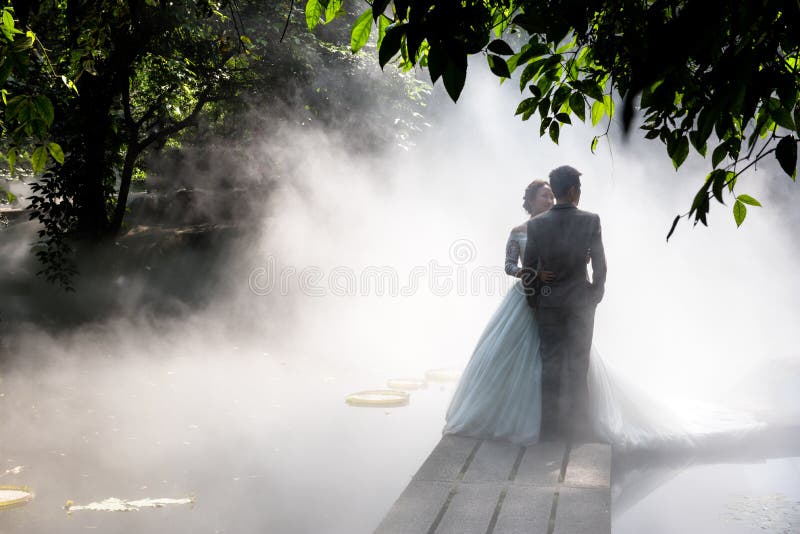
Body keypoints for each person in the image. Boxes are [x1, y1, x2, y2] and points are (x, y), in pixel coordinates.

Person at [442, 180, 554, 445]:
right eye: (544, 196)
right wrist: (532, 274)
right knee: (507, 355)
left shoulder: (558, 227)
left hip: (553, 297)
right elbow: (507, 265)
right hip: (523, 296)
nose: (549, 201)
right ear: (531, 200)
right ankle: (501, 414)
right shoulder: (518, 231)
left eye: (551, 196)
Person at [522, 165, 606, 441]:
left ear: (556, 192)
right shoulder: (590, 220)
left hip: (549, 303)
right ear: (572, 191)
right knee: (578, 364)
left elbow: (530, 269)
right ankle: (579, 428)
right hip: (581, 302)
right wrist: (594, 294)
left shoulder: (536, 224)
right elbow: (600, 266)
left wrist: (536, 301)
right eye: (578, 190)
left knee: (551, 364)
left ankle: (549, 429)